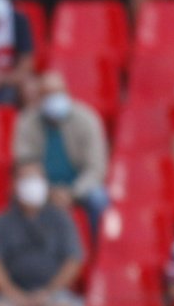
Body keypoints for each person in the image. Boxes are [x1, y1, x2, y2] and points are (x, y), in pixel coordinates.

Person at [0, 160, 85, 306]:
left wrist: (48, 292)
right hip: (13, 294)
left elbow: (73, 260)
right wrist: (14, 295)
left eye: (36, 178)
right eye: (26, 178)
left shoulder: (60, 218)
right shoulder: (2, 222)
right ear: (14, 185)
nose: (32, 184)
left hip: (53, 293)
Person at [12, 70, 110, 233]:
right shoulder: (27, 122)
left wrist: (72, 193)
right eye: (47, 95)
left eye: (57, 93)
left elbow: (96, 169)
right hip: (44, 188)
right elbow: (25, 163)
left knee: (98, 198)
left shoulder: (88, 119)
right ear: (39, 99)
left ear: (67, 93)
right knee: (21, 195)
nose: (53, 99)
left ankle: (98, 250)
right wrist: (48, 191)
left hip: (79, 188)